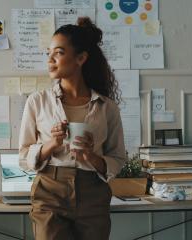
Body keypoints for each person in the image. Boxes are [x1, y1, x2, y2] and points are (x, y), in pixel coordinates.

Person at [19, 17, 127, 240]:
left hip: (93, 193)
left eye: (58, 53)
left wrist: (91, 156)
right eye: (48, 53)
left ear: (80, 58)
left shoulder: (107, 107)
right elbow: (23, 156)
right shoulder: (37, 101)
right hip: (50, 191)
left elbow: (117, 159)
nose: (50, 59)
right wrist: (52, 144)